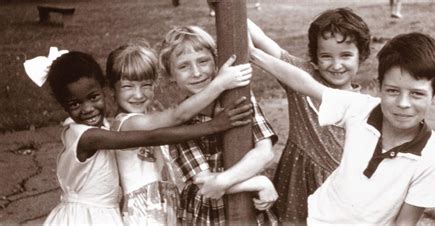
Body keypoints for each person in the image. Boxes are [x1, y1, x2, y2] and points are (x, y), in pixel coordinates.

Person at [23, 48, 253, 226]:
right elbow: (153, 136)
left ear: (103, 90)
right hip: (89, 217)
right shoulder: (88, 135)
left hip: (121, 211)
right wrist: (215, 123)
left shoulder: (103, 126)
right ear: (62, 105)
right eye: (75, 104)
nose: (87, 109)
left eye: (93, 97)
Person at [250, 32, 435, 225]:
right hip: (316, 217)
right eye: (393, 91)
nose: (403, 103)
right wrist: (253, 54)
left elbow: (405, 222)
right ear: (379, 86)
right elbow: (305, 84)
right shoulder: (360, 108)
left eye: (417, 94)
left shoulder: (432, 156)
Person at [106, 40, 253, 225]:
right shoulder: (125, 123)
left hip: (167, 204)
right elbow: (177, 116)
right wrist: (219, 85)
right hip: (142, 213)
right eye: (128, 86)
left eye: (146, 85)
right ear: (112, 90)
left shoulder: (150, 116)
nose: (138, 94)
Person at [247, 7, 371, 224]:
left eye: (346, 55)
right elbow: (260, 38)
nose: (336, 65)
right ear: (314, 57)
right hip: (295, 182)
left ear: (362, 56)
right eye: (326, 56)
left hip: (336, 192)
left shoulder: (363, 106)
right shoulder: (300, 76)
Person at [158, 26, 279, 225]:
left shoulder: (238, 97)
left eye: (203, 61)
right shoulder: (181, 119)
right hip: (207, 213)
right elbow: (204, 184)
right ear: (171, 75)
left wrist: (223, 181)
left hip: (250, 208)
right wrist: (258, 182)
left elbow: (265, 152)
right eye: (183, 66)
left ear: (215, 62)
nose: (196, 73)